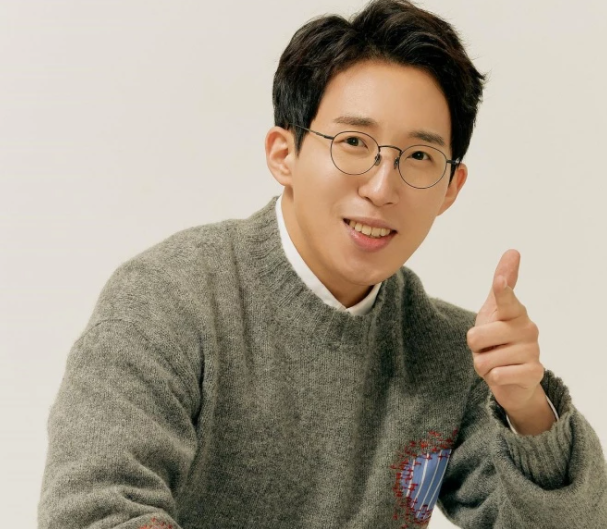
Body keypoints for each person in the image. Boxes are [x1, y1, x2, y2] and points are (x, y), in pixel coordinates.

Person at [38, 0, 607, 527]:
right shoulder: (168, 301)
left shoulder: (453, 356)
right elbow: (93, 511)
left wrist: (528, 409)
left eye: (418, 155)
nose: (381, 187)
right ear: (283, 154)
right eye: (354, 143)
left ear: (451, 187)